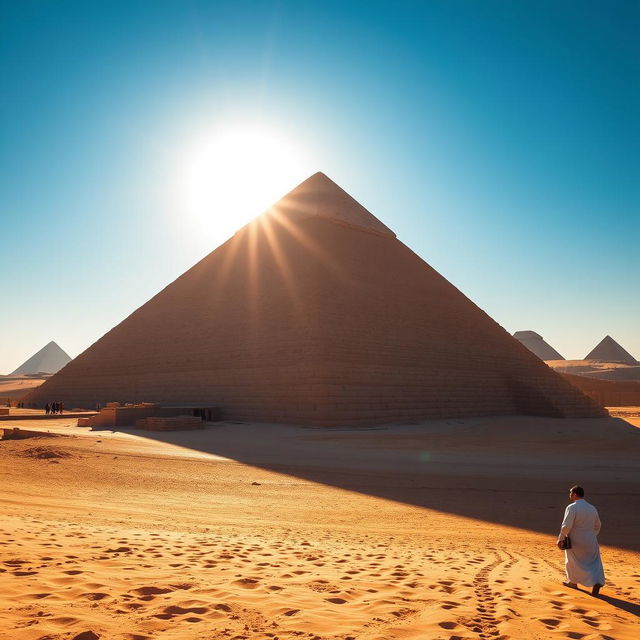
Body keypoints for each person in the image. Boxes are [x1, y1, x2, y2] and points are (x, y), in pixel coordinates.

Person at [557, 485, 605, 596]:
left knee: (572, 561)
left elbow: (566, 526)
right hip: (591, 540)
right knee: (594, 562)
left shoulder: (572, 507)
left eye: (570, 493)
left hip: (575, 540)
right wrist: (591, 535)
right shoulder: (592, 508)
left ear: (574, 494)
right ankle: (597, 582)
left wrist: (561, 538)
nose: (569, 495)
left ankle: (573, 582)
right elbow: (598, 525)